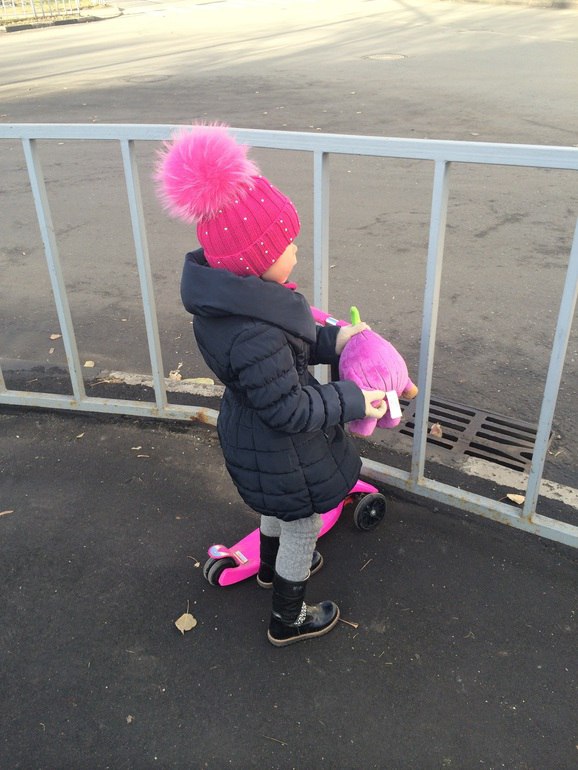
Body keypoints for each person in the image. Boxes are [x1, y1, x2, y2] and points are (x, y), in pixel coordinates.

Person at [155, 124, 387, 647]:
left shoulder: (236, 309)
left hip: (254, 435)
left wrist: (338, 340)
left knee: (276, 509)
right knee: (302, 521)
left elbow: (292, 349)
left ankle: (267, 569)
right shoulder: (255, 331)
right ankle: (288, 615)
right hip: (283, 446)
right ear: (255, 260)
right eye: (285, 244)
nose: (296, 249)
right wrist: (355, 398)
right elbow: (290, 408)